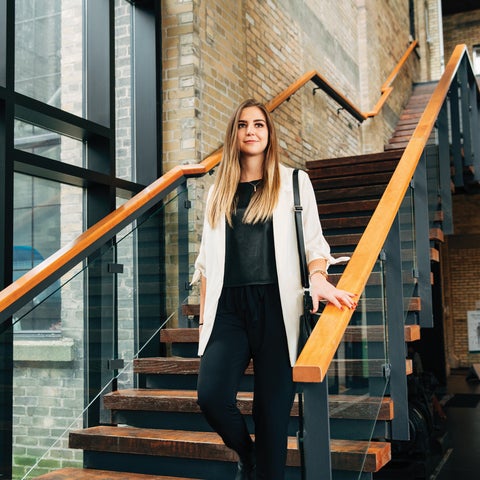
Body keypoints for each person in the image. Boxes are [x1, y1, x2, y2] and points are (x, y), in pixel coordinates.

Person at [193, 99, 357, 479]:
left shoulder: (295, 182)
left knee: (271, 415)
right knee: (212, 398)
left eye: (259, 125)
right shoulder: (217, 192)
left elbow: (315, 246)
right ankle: (246, 456)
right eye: (243, 125)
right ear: (233, 133)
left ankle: (262, 467)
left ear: (269, 134)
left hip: (277, 308)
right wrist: (204, 321)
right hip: (228, 309)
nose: (251, 131)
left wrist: (318, 278)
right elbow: (206, 263)